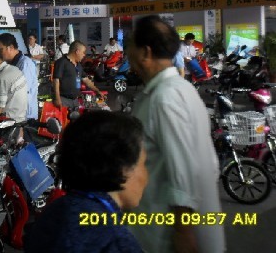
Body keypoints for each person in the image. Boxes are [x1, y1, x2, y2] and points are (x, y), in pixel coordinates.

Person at [127, 15, 224, 253]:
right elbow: (210, 164)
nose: (127, 54)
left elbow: (184, 172)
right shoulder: (182, 89)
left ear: (145, 52)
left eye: (129, 46)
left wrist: (183, 233)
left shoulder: (165, 97)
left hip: (169, 237)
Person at [24, 111, 147, 253]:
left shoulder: (54, 212)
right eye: (143, 164)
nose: (146, 176)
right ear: (122, 168)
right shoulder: (116, 241)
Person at [0, 33, 38, 120]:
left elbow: (23, 90)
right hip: (15, 114)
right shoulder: (10, 64)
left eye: (0, 49)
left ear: (10, 47)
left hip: (26, 116)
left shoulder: (25, 64)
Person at [53, 40, 104, 111]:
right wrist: (57, 99)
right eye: (83, 52)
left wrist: (97, 91)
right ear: (77, 51)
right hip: (63, 100)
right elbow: (56, 81)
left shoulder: (78, 65)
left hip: (75, 100)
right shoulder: (61, 62)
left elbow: (86, 80)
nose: (84, 55)